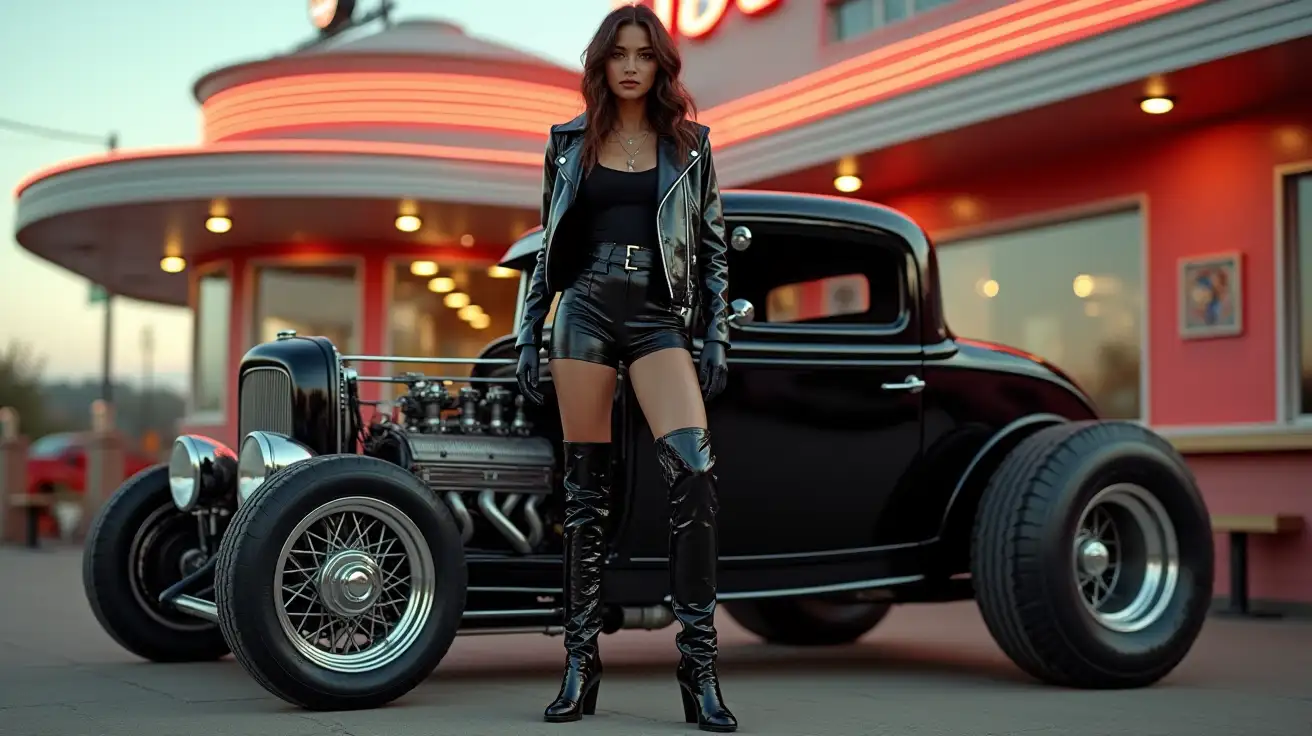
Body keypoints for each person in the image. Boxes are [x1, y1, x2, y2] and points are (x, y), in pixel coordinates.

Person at [513, 3, 735, 732]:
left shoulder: (691, 145)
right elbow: (549, 245)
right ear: (603, 64)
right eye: (620, 54)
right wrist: (526, 333)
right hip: (583, 310)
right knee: (584, 495)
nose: (632, 65)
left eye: (645, 53)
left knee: (694, 469)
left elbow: (711, 251)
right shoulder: (569, 141)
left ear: (661, 64)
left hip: (655, 315)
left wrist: (713, 337)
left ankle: (698, 670)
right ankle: (581, 666)